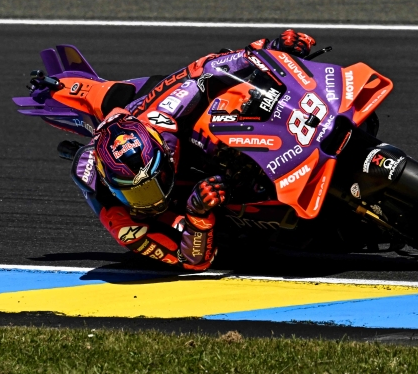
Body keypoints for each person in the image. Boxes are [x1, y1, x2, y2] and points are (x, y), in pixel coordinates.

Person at [70, 30, 316, 271]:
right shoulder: (124, 224)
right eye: (138, 194)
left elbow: (203, 69)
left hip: (145, 115)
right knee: (224, 236)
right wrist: (197, 216)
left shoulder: (162, 117)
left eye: (154, 184)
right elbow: (191, 261)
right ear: (114, 189)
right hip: (178, 196)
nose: (153, 199)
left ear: (163, 153)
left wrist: (271, 49)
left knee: (223, 95)